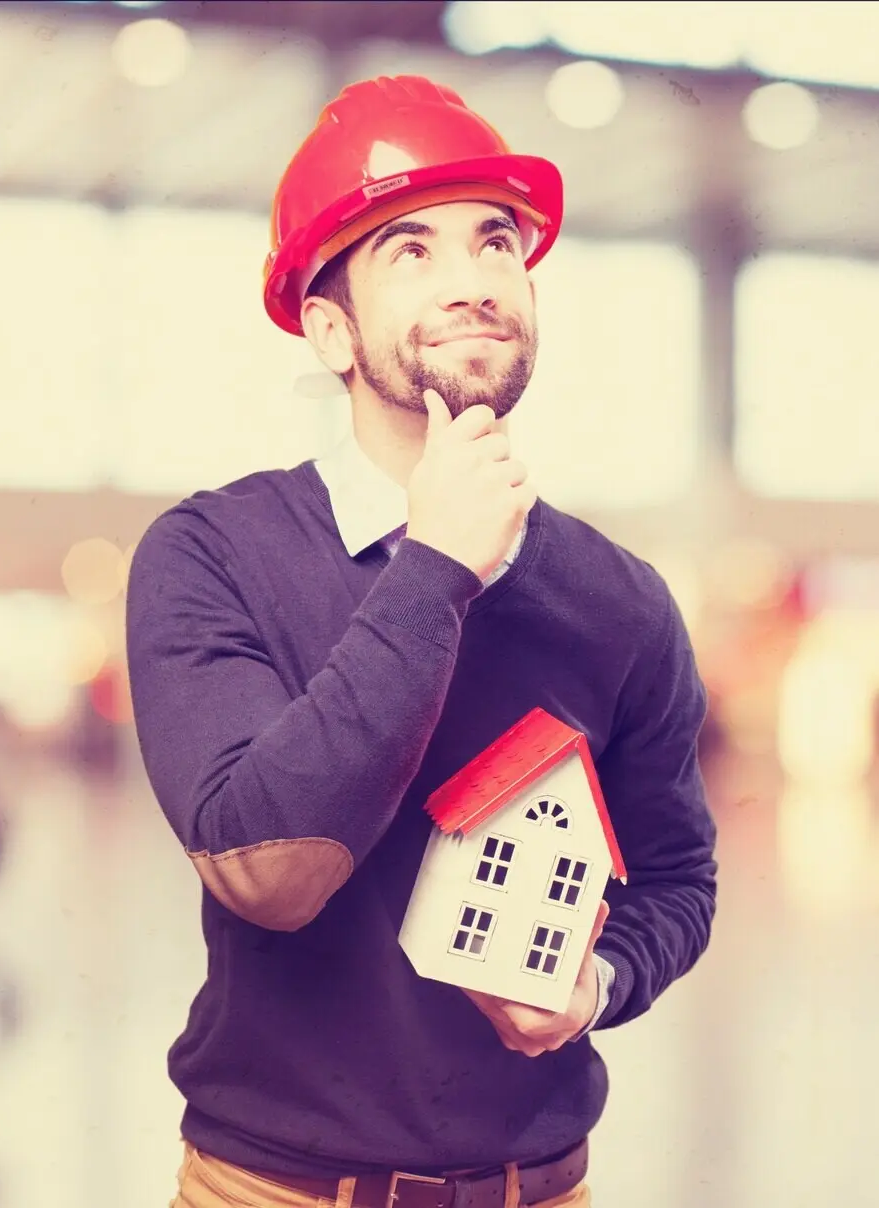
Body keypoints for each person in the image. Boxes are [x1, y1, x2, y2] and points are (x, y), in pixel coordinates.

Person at [125, 74, 718, 1208]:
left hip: (541, 1189)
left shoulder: (624, 602)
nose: (474, 280)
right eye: (412, 250)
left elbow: (679, 877)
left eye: (496, 242)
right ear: (330, 329)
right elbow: (264, 869)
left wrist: (597, 983)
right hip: (277, 1192)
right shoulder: (212, 554)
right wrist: (435, 565)